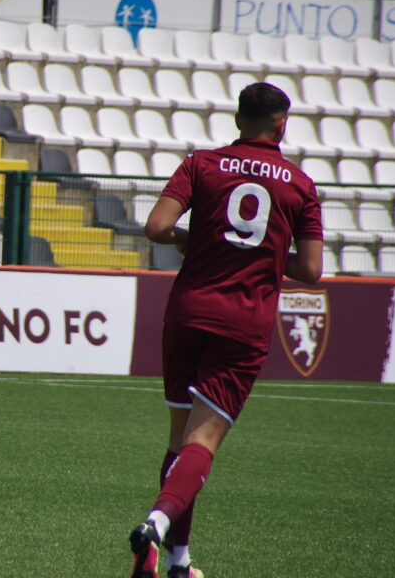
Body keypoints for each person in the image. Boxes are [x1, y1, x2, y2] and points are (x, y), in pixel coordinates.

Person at [127, 83, 324, 578]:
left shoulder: (201, 163)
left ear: (237, 119)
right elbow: (312, 270)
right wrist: (266, 254)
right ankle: (156, 523)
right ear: (282, 124)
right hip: (242, 320)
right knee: (203, 443)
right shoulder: (300, 185)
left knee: (179, 442)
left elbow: (155, 228)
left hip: (187, 311)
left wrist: (197, 241)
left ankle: (178, 562)